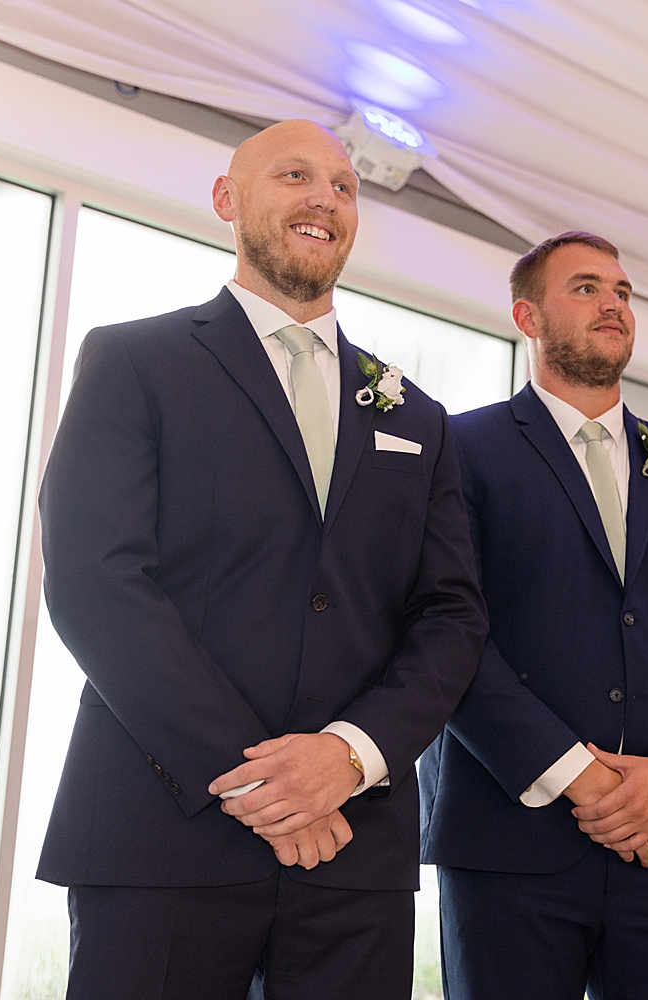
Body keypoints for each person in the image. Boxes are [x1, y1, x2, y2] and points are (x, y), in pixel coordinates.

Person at [37, 120, 487, 999]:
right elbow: (98, 581)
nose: (326, 197)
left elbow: (453, 616)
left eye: (345, 187)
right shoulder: (134, 360)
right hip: (161, 835)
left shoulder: (416, 415)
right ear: (227, 199)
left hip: (354, 852)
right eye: (294, 175)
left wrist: (349, 757)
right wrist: (261, 784)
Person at [421, 231, 648, 1000]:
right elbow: (449, 630)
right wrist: (580, 777)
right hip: (511, 836)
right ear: (527, 315)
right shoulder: (461, 447)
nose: (612, 302)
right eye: (584, 288)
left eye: (621, 290)